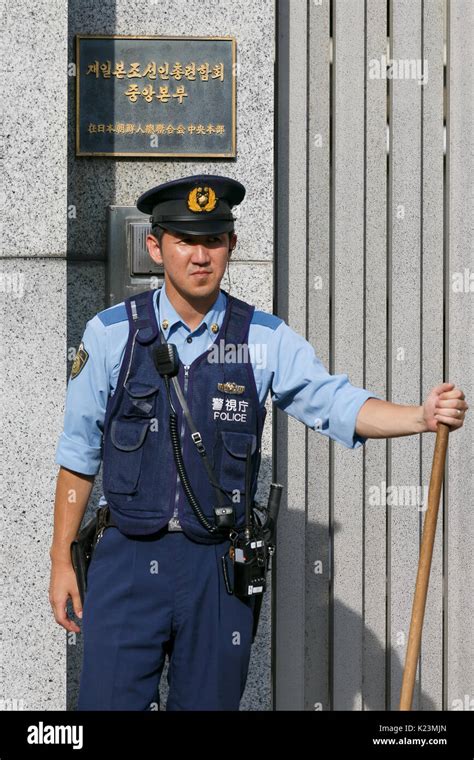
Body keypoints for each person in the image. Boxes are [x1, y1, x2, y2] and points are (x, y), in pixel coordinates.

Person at [49, 174, 468, 711]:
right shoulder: (109, 335)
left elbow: (333, 402)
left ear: (231, 247)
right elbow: (78, 457)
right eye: (184, 240)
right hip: (127, 562)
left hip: (218, 571)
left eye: (213, 240)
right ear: (156, 246)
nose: (200, 256)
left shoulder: (264, 338)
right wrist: (62, 559)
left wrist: (420, 414)